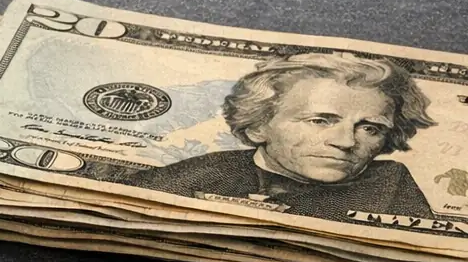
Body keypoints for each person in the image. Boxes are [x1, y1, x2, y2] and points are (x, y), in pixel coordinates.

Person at [126, 52, 436, 221]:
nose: (345, 141)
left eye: (370, 128)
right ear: (258, 125)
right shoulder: (197, 174)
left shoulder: (391, 185)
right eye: (320, 120)